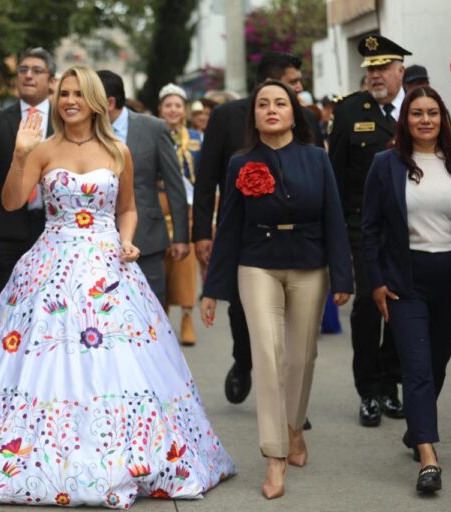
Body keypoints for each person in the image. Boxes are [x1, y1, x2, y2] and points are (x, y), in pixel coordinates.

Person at [0, 64, 235, 506]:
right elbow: (11, 204)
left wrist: (128, 242)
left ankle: (122, 454)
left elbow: (128, 207)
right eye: (64, 94)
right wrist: (21, 154)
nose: (70, 100)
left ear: (96, 100)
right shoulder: (42, 149)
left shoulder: (118, 150)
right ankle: (32, 459)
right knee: (42, 357)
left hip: (107, 265)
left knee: (116, 362)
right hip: (50, 262)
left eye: (78, 93)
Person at [200, 80, 353, 499]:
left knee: (301, 359)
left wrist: (342, 276)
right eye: (262, 104)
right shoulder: (239, 163)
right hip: (257, 264)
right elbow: (228, 227)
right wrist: (212, 289)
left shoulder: (316, 159)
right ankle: (275, 456)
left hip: (309, 263)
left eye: (280, 103)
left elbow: (334, 219)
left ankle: (293, 428)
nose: (271, 109)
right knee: (268, 356)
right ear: (253, 114)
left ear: (293, 112)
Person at [194, 51, 324, 406]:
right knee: (240, 310)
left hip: (298, 240)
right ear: (271, 80)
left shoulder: (305, 118)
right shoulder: (225, 117)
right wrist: (203, 233)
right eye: (293, 81)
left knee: (291, 324)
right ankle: (243, 361)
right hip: (245, 235)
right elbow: (206, 181)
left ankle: (290, 400)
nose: (300, 88)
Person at [362, 86, 451, 494]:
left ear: (443, 119)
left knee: (436, 364)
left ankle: (417, 427)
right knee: (416, 367)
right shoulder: (386, 164)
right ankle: (428, 457)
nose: (425, 120)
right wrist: (377, 281)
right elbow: (370, 228)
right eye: (417, 113)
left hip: (450, 276)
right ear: (406, 120)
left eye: (432, 113)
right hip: (406, 280)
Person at [329, 34, 411, 427]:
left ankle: (391, 385)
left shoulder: (416, 110)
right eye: (371, 69)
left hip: (409, 229)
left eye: (383, 67)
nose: (376, 75)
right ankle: (368, 391)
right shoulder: (347, 112)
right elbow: (336, 177)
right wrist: (337, 233)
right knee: (366, 305)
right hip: (361, 224)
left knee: (400, 302)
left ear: (401, 71)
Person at [0, 47, 56, 303]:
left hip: (52, 229)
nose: (28, 76)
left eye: (37, 71)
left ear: (51, 81)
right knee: (4, 305)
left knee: (46, 305)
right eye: (23, 70)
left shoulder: (63, 121)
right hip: (6, 228)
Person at [97, 70, 189, 306]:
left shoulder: (154, 128)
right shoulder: (86, 132)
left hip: (146, 238)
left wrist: (181, 237)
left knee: (150, 309)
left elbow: (174, 184)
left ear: (109, 103)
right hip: (97, 239)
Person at [156, 83, 200, 344]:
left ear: (184, 110)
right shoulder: (150, 133)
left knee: (185, 266)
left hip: (186, 207)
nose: (173, 110)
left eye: (177, 105)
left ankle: (186, 318)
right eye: (168, 105)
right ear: (160, 109)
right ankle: (161, 318)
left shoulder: (196, 139)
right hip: (158, 204)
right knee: (158, 267)